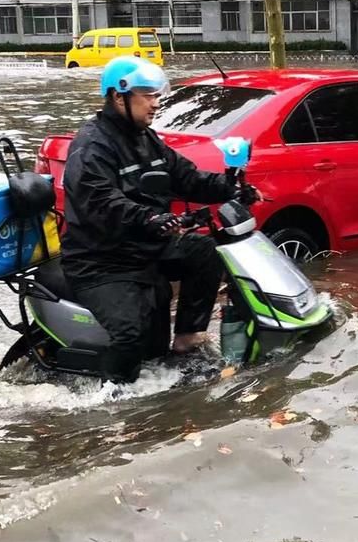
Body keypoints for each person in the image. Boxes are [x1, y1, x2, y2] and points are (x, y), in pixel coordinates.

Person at [61, 55, 258, 382]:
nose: (156, 103)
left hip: (144, 246)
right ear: (118, 96)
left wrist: (230, 187)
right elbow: (101, 202)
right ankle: (116, 402)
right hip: (101, 260)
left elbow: (186, 178)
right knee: (129, 333)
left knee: (204, 251)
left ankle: (186, 339)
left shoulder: (146, 138)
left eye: (157, 94)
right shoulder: (92, 146)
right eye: (147, 95)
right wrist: (151, 218)